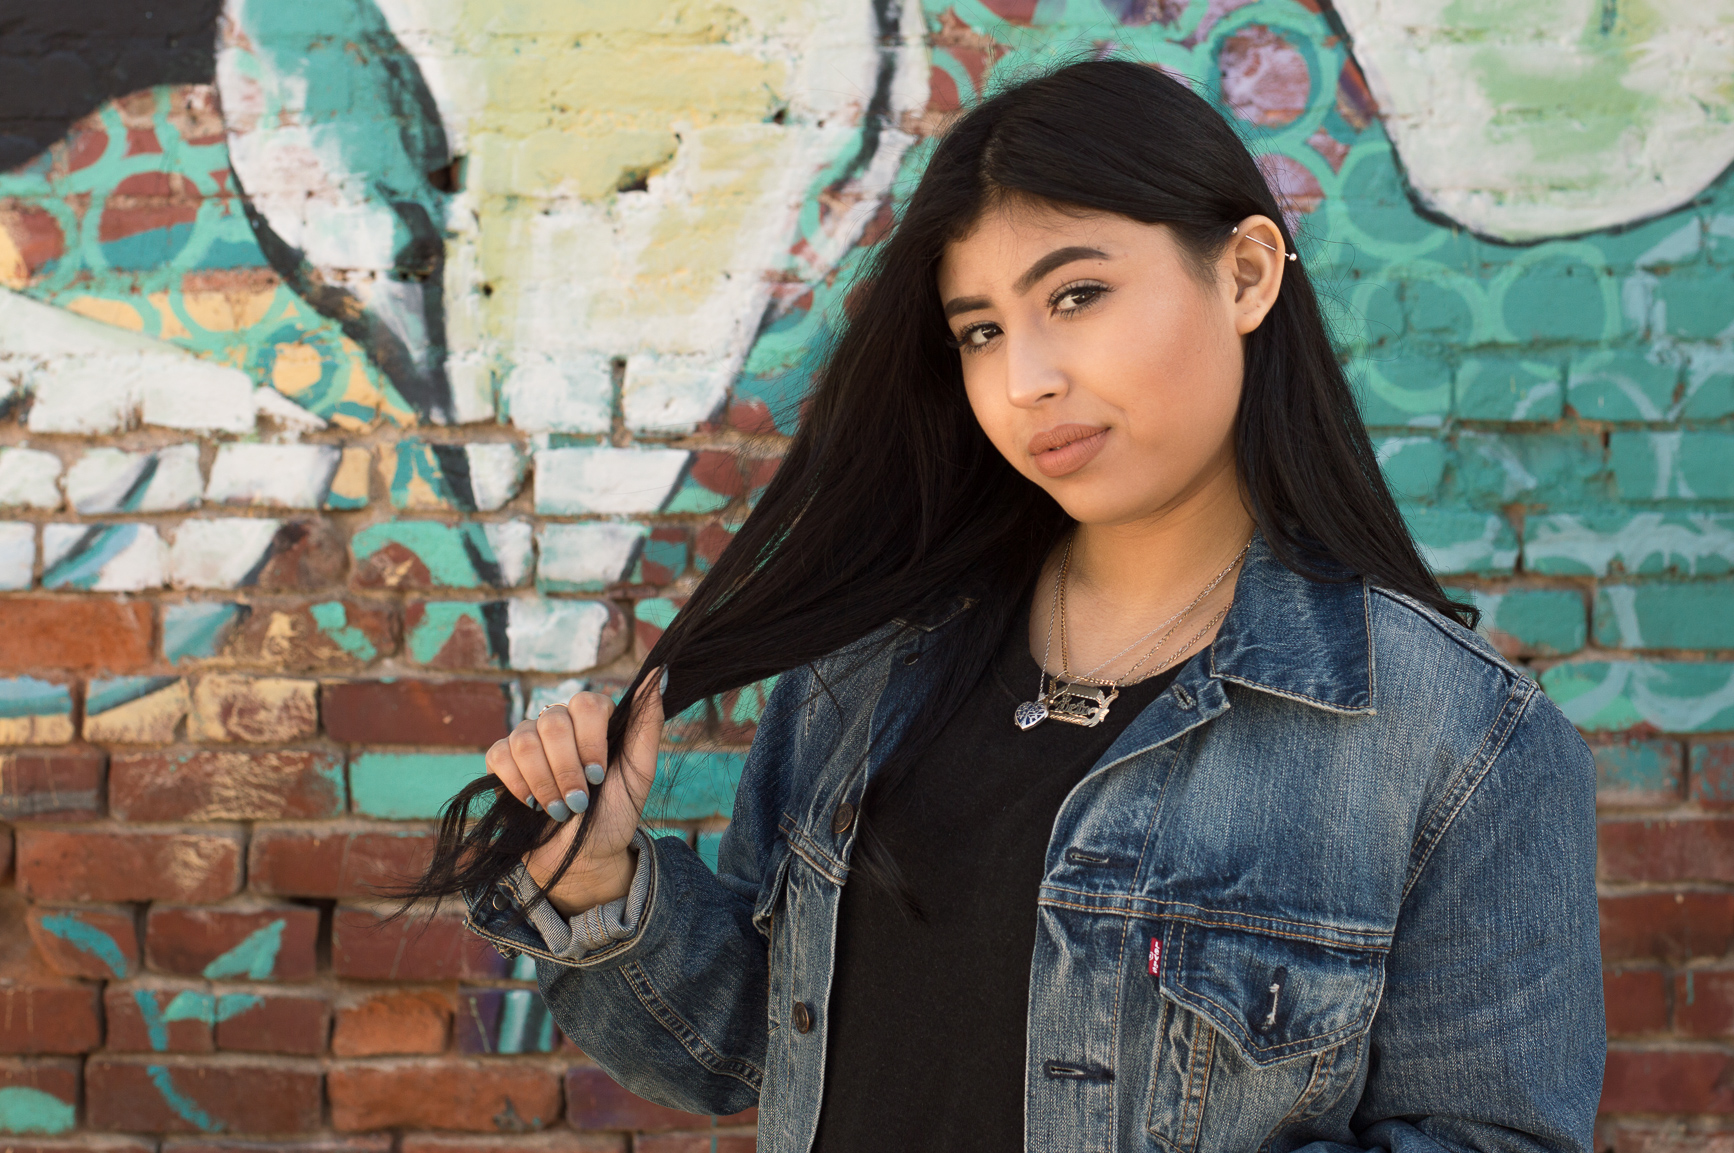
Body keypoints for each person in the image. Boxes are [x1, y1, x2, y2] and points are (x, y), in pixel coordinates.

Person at [404, 59, 1605, 1152]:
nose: (1025, 378)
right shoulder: (867, 665)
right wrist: (602, 885)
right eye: (980, 331)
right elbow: (756, 1050)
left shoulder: (1459, 746)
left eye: (1075, 295)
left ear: (1244, 274)